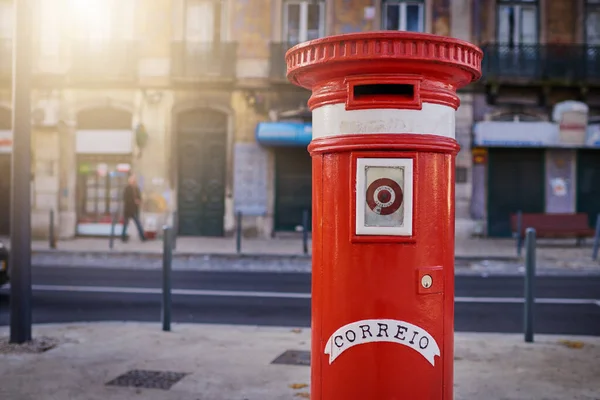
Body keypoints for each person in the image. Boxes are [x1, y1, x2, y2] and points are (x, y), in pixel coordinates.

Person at [121, 173, 146, 242]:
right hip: (128, 209)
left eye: (134, 179)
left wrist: (139, 201)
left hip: (135, 209)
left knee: (138, 223)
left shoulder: (136, 188)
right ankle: (123, 237)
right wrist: (134, 201)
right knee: (125, 224)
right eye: (132, 179)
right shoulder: (127, 188)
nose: (133, 180)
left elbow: (139, 197)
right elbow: (125, 198)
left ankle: (143, 237)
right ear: (129, 180)